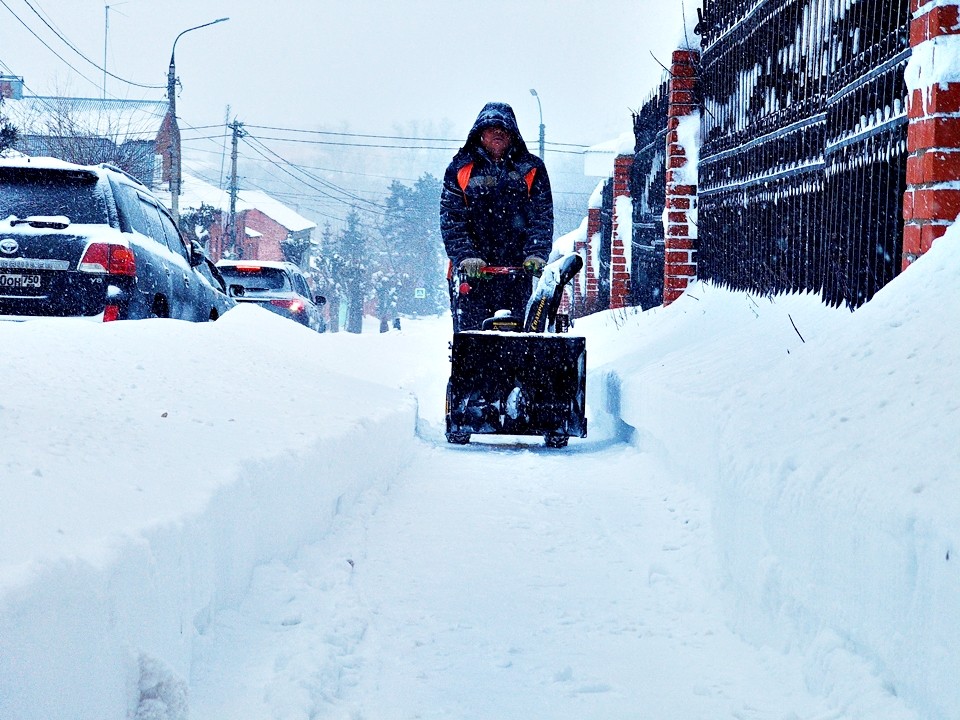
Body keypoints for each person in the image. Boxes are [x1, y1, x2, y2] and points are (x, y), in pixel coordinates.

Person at [440, 101, 554, 331]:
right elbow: (451, 219)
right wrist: (465, 256)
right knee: (473, 339)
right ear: (480, 134)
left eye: (504, 129)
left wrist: (536, 253)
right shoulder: (460, 169)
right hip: (473, 274)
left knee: (521, 336)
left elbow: (542, 215)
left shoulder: (531, 169)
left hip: (517, 273)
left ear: (513, 135)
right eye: (492, 128)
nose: (498, 133)